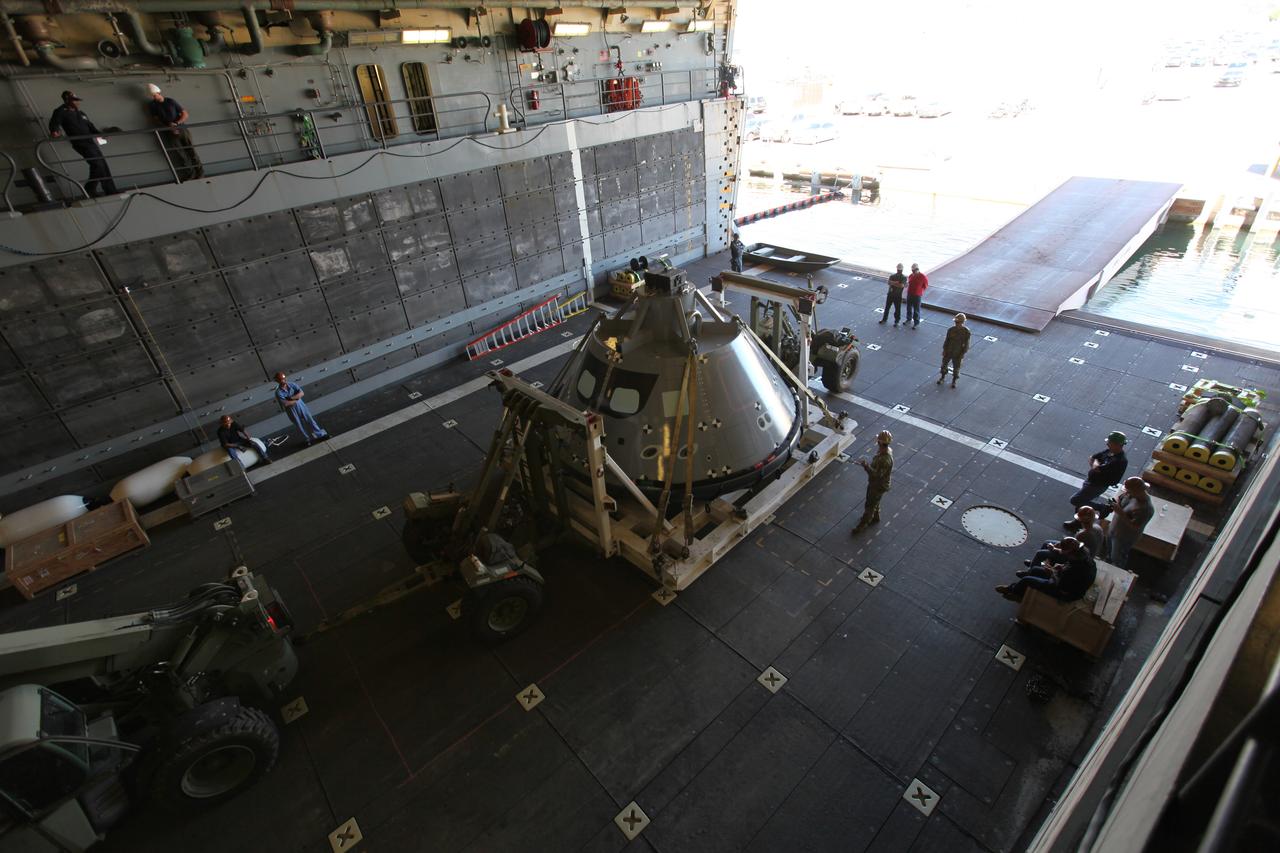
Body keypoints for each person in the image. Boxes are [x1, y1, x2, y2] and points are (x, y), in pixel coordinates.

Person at [48, 91, 118, 198]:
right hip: (80, 143)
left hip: (90, 142)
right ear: (67, 100)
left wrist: (101, 135)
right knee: (97, 165)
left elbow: (91, 127)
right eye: (74, 100)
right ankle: (93, 189)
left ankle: (107, 190)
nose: (77, 103)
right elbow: (54, 124)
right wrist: (55, 132)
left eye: (77, 101)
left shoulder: (81, 113)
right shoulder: (60, 111)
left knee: (102, 165)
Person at [996, 537, 1096, 603]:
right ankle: (1021, 590)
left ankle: (1014, 591)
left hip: (1066, 593)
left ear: (1070, 553)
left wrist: (1052, 573)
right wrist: (1060, 567)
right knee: (1034, 569)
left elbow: (1062, 587)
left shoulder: (1074, 570)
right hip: (1068, 581)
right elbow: (1068, 571)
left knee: (1027, 580)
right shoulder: (1084, 558)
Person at [147, 84, 203, 181]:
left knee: (191, 151)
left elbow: (185, 114)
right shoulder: (153, 105)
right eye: (152, 95)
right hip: (169, 131)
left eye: (155, 95)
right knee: (180, 154)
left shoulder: (170, 101)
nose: (154, 97)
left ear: (159, 93)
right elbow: (155, 119)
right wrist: (168, 126)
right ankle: (189, 174)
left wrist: (177, 123)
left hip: (181, 129)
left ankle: (200, 172)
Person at [1064, 431, 1128, 518]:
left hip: (1097, 485)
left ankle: (1102, 507)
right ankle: (1078, 522)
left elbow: (1096, 467)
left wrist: (1095, 464)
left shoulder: (1119, 460)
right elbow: (1092, 458)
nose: (1107, 444)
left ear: (1117, 444)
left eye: (1109, 442)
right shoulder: (1110, 451)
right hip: (1091, 481)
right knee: (1082, 502)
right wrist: (1096, 464)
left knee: (1076, 500)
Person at [1024, 506, 1102, 570]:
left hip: (1076, 559)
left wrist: (1054, 548)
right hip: (1086, 556)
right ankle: (1035, 564)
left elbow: (1069, 553)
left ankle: (1031, 570)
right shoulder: (1098, 528)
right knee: (1047, 542)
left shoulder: (1082, 534)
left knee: (1040, 553)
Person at [851, 430, 893, 534]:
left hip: (877, 485)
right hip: (880, 484)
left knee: (870, 505)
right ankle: (876, 516)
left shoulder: (884, 459)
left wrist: (866, 466)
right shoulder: (886, 451)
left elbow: (876, 475)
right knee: (876, 501)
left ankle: (863, 525)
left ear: (880, 443)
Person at [1107, 477, 1154, 568]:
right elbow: (1120, 499)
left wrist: (1119, 512)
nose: (1127, 493)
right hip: (1113, 528)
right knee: (1109, 552)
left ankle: (1116, 572)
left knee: (1118, 558)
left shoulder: (1145, 509)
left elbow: (1135, 527)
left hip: (1123, 537)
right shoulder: (1130, 495)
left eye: (1129, 491)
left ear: (1138, 491)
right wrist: (1115, 503)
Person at [274, 371, 329, 446]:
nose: (283, 381)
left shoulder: (292, 384)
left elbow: (302, 393)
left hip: (301, 406)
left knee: (310, 420)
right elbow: (286, 403)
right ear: (277, 381)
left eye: (283, 379)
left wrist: (291, 398)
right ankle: (307, 439)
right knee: (299, 424)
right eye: (281, 380)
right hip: (291, 410)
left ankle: (320, 435)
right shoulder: (278, 392)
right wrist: (297, 399)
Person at [937, 313, 971, 388]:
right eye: (956, 322)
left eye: (958, 322)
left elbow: (966, 344)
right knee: (944, 365)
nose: (956, 323)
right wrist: (944, 350)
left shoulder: (966, 332)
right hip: (949, 350)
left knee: (956, 368)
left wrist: (962, 353)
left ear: (962, 322)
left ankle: (954, 381)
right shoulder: (951, 330)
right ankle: (942, 377)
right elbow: (947, 340)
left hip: (958, 352)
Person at [906, 263, 928, 328]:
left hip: (917, 295)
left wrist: (919, 291)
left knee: (916, 309)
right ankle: (908, 319)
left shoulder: (923, 276)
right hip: (910, 294)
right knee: (908, 307)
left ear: (917, 269)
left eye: (913, 270)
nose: (913, 271)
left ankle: (916, 322)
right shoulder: (910, 276)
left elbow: (925, 286)